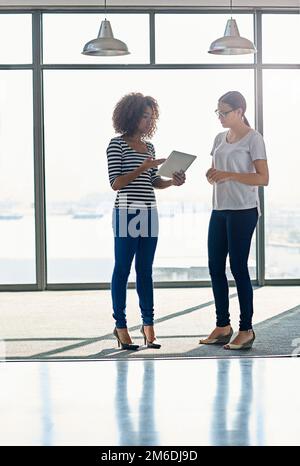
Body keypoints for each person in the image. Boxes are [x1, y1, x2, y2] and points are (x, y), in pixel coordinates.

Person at [107, 92, 186, 350]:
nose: (147, 121)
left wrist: (171, 182)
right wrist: (143, 167)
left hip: (149, 212)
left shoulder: (150, 147)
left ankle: (148, 325)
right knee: (122, 269)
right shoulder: (116, 145)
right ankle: (120, 326)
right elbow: (116, 183)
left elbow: (153, 182)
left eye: (150, 117)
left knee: (145, 271)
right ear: (131, 115)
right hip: (126, 212)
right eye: (144, 116)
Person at [199, 91, 269, 350]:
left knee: (238, 267)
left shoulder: (254, 139)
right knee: (215, 266)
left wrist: (228, 174)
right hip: (220, 209)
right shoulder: (219, 138)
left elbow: (262, 178)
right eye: (217, 112)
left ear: (240, 111)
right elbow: (218, 171)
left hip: (243, 210)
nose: (220, 116)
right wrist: (212, 174)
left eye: (224, 112)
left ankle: (246, 329)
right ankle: (222, 326)